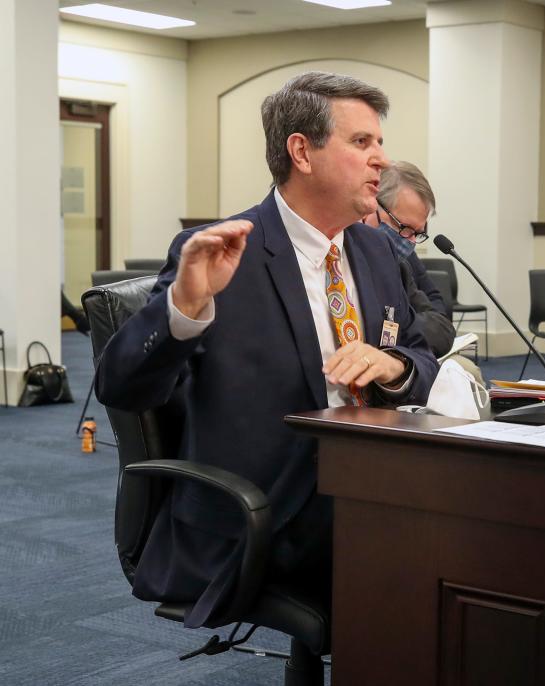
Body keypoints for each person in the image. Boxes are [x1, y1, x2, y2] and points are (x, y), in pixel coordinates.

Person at [94, 72, 439, 632]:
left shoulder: (377, 250)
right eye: (361, 143)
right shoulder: (223, 252)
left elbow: (422, 358)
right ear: (301, 151)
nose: (381, 159)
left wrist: (393, 366)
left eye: (379, 142)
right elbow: (122, 388)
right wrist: (183, 309)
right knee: (432, 567)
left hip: (366, 485)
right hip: (266, 514)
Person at [362, 161, 455, 357]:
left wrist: (396, 327)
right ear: (371, 206)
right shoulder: (338, 259)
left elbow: (442, 330)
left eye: (417, 233)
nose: (410, 241)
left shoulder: (398, 267)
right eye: (404, 228)